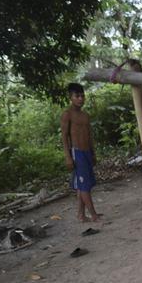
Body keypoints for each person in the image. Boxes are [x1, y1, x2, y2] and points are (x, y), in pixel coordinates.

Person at [60, 83, 100, 222]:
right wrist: (68, 157)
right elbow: (64, 136)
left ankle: (81, 215)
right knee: (84, 187)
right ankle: (93, 215)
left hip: (87, 152)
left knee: (84, 185)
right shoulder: (67, 114)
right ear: (70, 97)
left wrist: (93, 153)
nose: (81, 99)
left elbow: (90, 135)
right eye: (77, 96)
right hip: (76, 153)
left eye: (82, 96)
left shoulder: (85, 115)